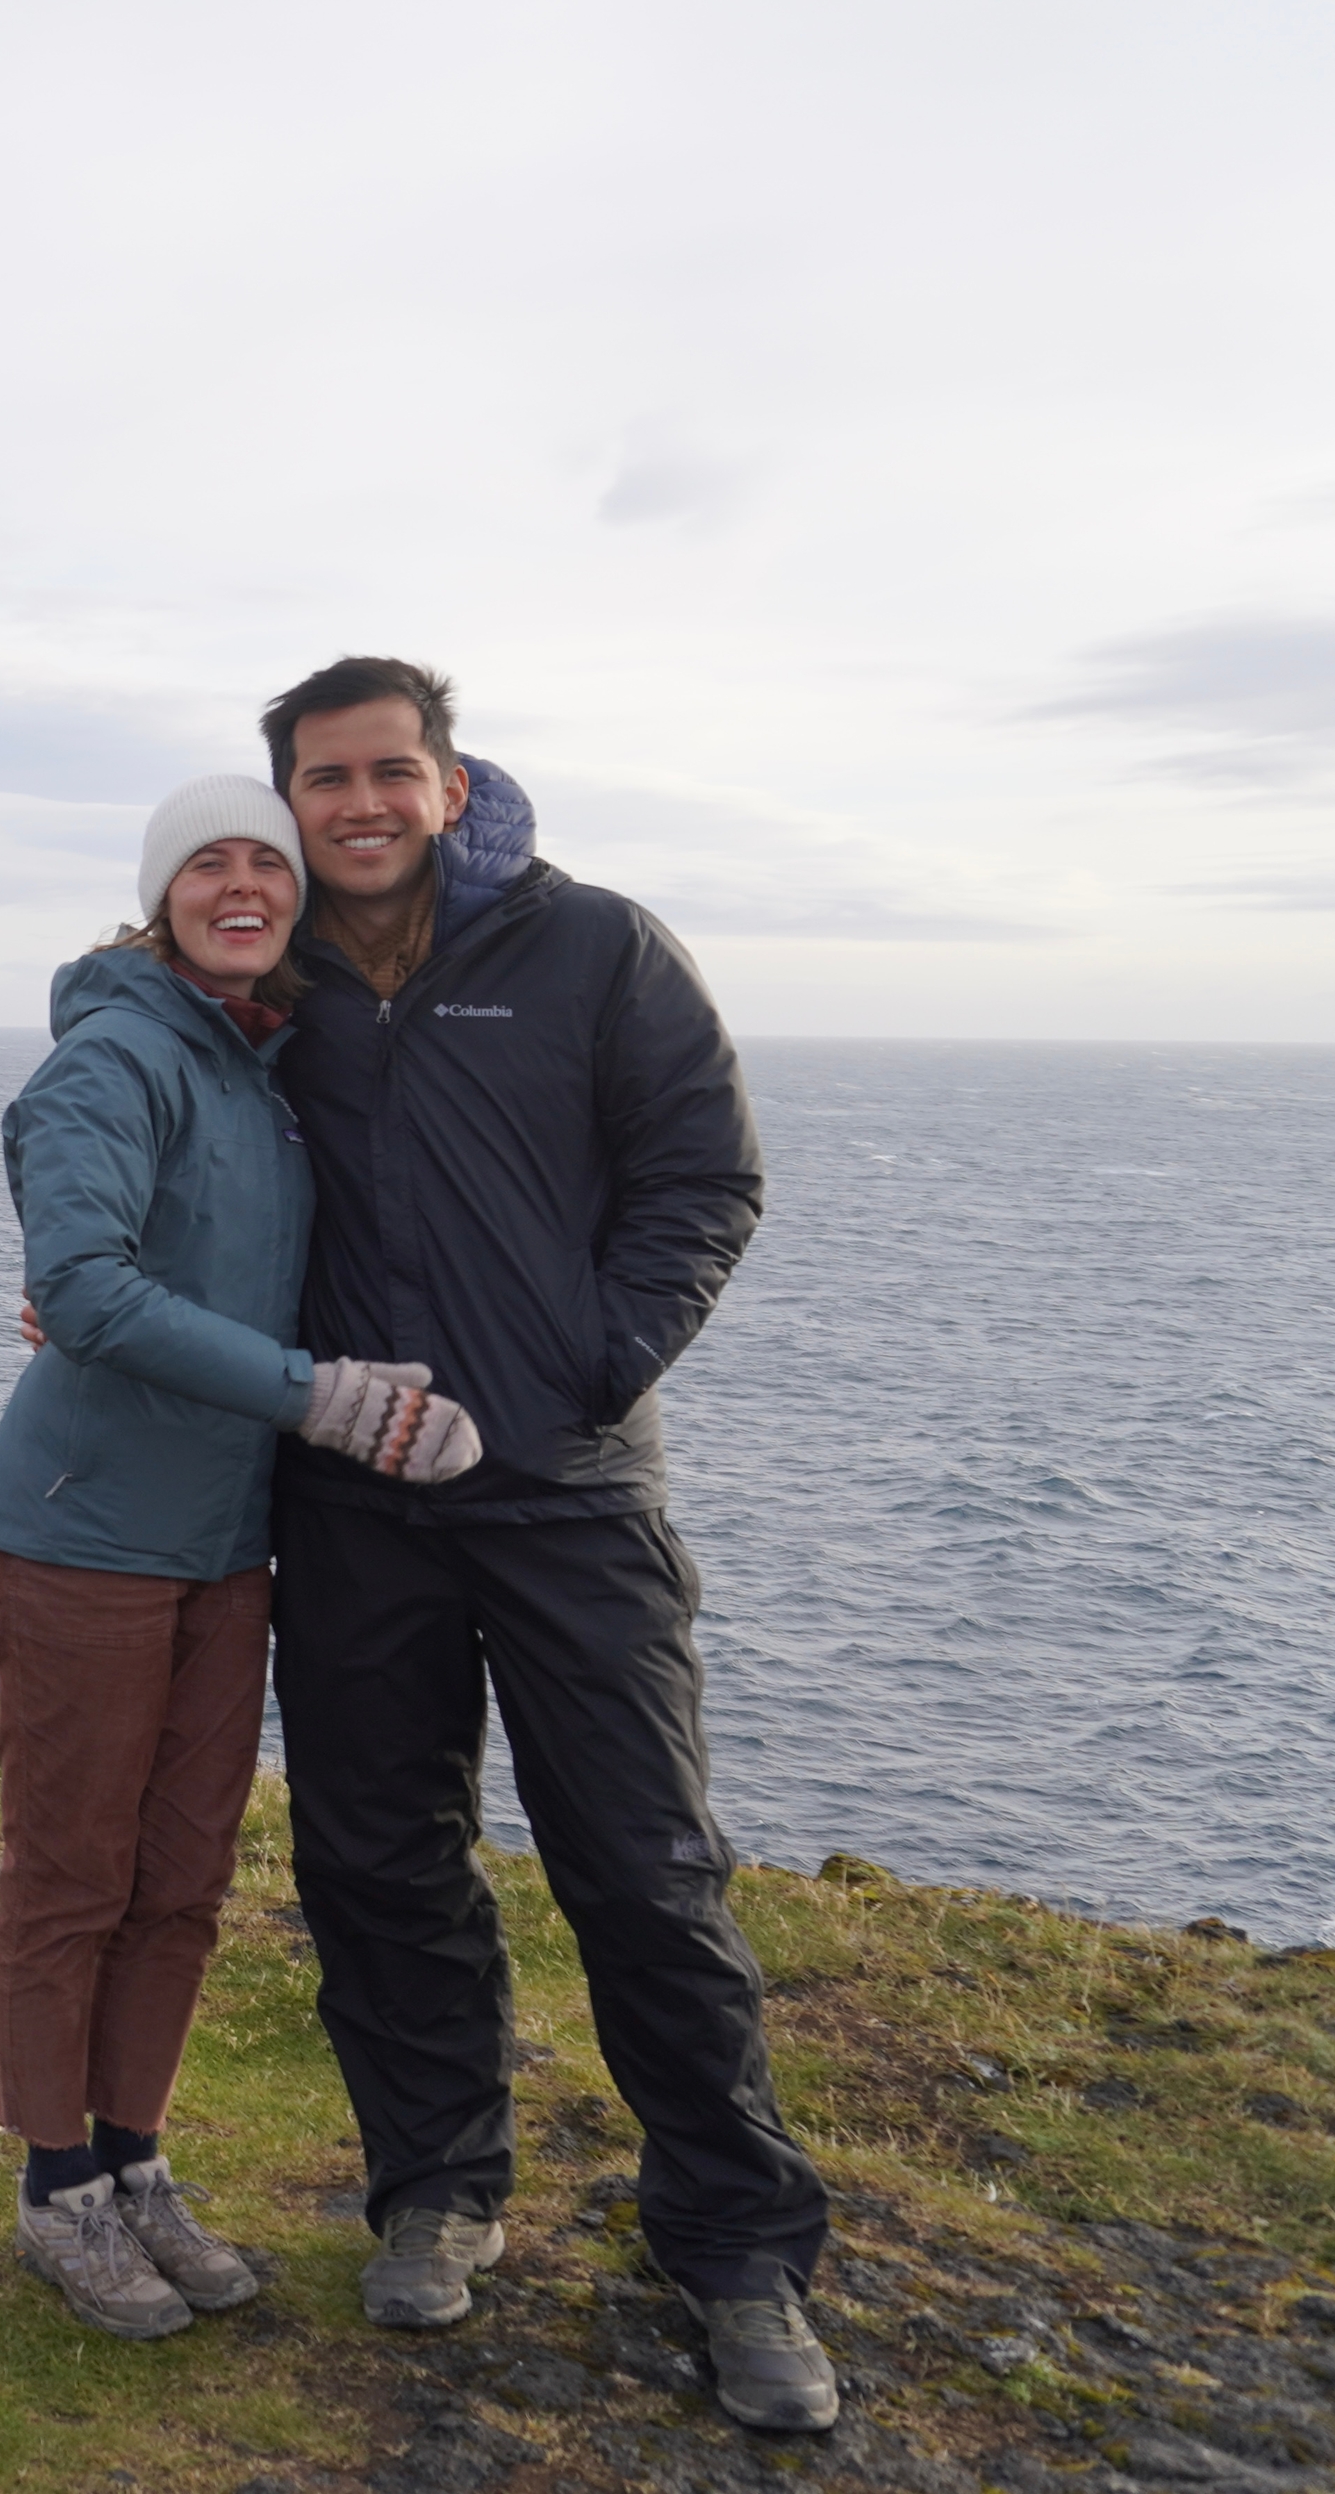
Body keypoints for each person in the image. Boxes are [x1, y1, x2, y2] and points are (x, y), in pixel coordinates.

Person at [260, 655, 837, 2434]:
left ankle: (735, 2253)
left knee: (645, 1870)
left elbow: (704, 1178)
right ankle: (435, 2190)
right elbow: (156, 1141)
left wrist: (590, 1366)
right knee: (377, 1861)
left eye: (389, 770)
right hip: (352, 1497)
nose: (360, 804)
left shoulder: (595, 948)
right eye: (324, 778)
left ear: (450, 783)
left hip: (570, 1492)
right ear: (287, 800)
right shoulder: (265, 971)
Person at [0, 774, 480, 2342]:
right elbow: (86, 1286)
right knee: (75, 1874)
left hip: (224, 1541)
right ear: (161, 894)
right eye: (209, 864)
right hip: (84, 1532)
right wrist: (328, 1398)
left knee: (182, 1876)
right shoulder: (116, 1055)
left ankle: (135, 2157)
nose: (242, 884)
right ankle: (57, 2186)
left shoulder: (261, 1063)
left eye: (269, 862)